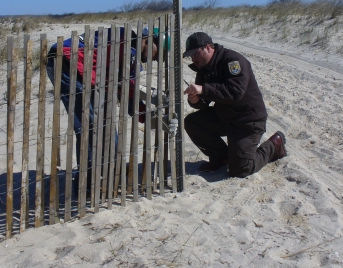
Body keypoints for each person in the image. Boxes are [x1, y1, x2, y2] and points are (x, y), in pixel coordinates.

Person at [47, 26, 163, 194]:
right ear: (149, 40)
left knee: (107, 125)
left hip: (88, 74)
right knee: (90, 127)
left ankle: (107, 174)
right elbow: (125, 86)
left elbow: (130, 101)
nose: (155, 59)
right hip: (65, 62)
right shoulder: (124, 40)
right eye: (157, 53)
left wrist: (153, 118)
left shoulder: (130, 57)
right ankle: (85, 184)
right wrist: (148, 93)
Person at [183, 32, 287, 178]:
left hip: (248, 121)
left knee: (240, 170)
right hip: (225, 117)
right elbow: (205, 101)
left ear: (208, 47)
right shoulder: (203, 67)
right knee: (192, 122)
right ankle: (220, 157)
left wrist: (203, 90)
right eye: (190, 56)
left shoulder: (233, 61)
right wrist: (196, 101)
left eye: (195, 54)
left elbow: (235, 92)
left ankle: (274, 146)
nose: (193, 59)